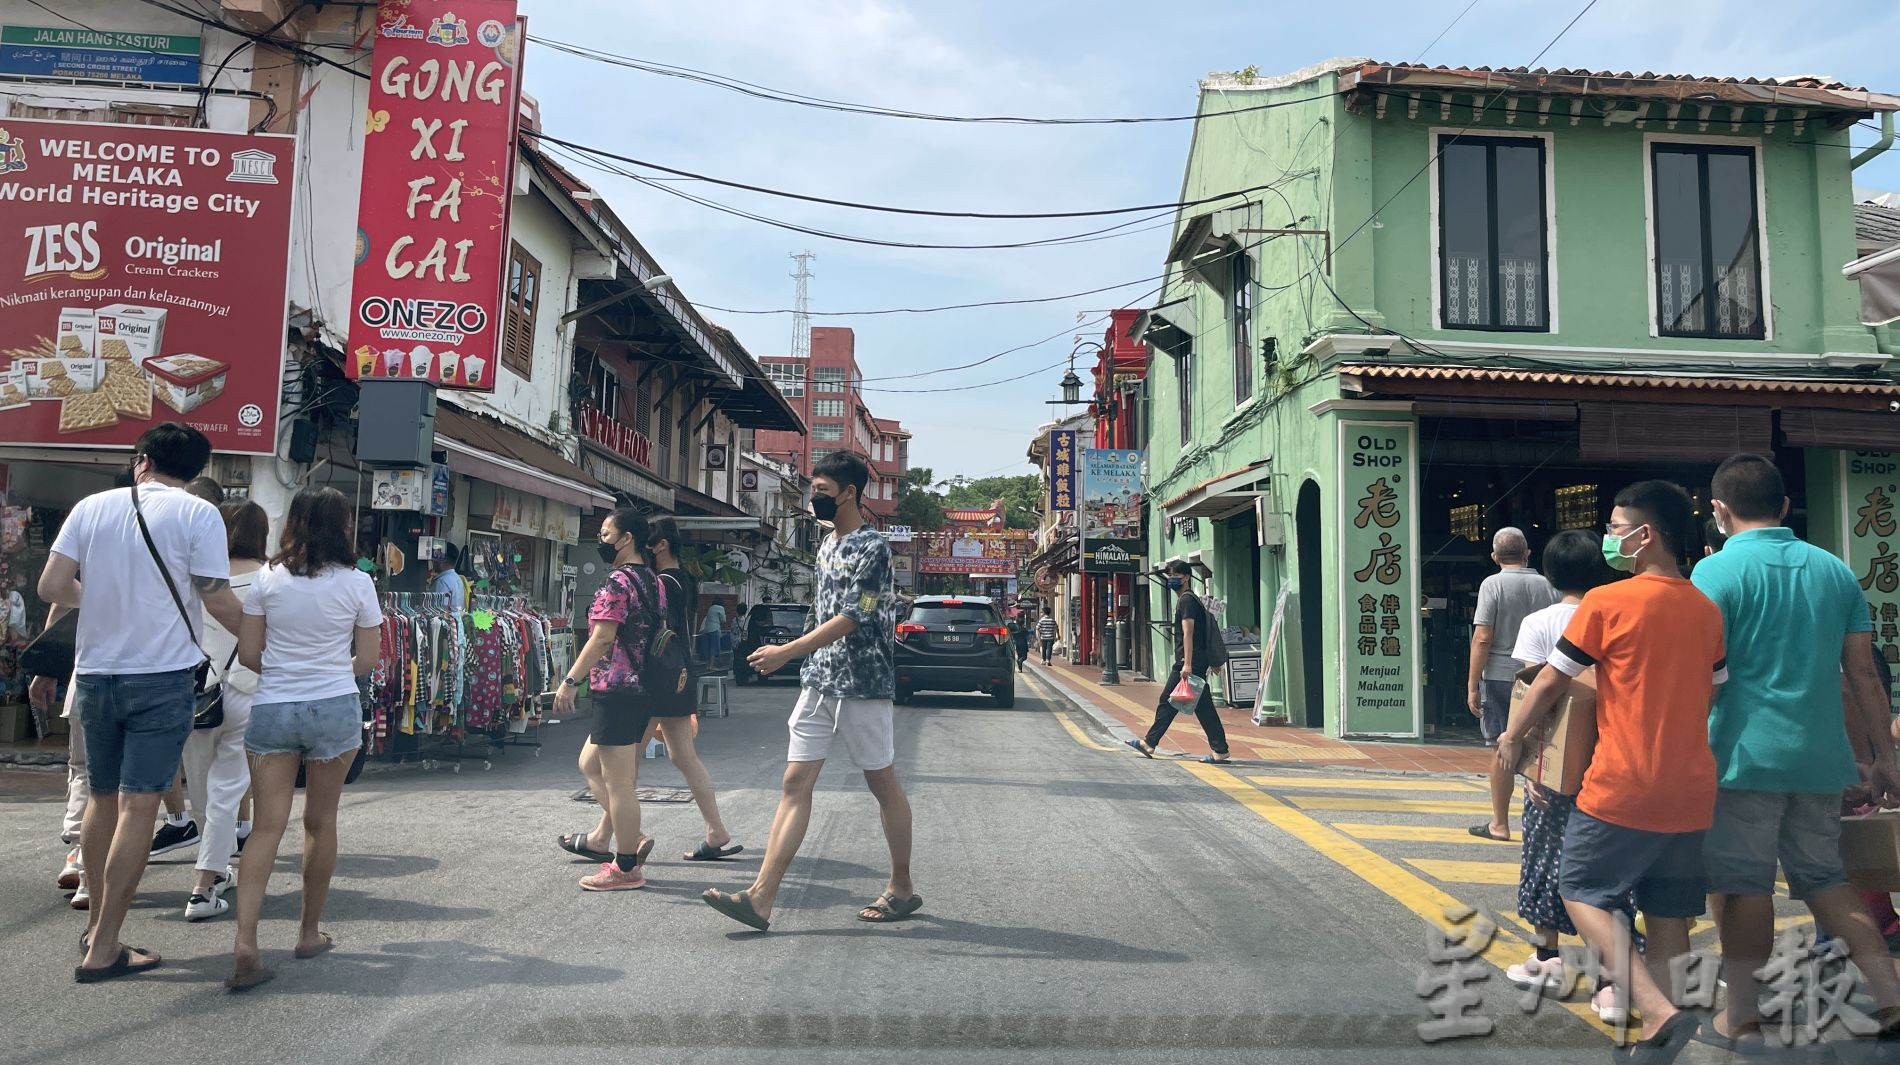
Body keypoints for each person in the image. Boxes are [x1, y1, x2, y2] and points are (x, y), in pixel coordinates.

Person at [1501, 480, 1724, 1055]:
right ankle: (1664, 1030)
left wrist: (1513, 735)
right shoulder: (1705, 609)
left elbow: (1551, 679)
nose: (1611, 538)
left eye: (1617, 528)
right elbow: (1714, 693)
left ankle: (1655, 1010)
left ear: (1645, 535)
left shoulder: (1607, 601)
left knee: (1580, 888)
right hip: (1692, 787)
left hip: (1623, 782)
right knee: (1668, 909)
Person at [1690, 454, 1900, 1045]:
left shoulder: (1714, 575)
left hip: (1740, 755)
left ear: (1719, 510)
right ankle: (1889, 998)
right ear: (1785, 506)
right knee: (1826, 879)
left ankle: (1744, 1015)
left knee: (1742, 886)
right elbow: (1864, 676)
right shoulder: (1834, 571)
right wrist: (1885, 757)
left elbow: (1701, 674)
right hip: (1820, 757)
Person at [38, 424, 242, 982]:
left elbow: (51, 587)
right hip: (161, 678)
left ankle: (96, 928)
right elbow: (215, 593)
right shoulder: (199, 514)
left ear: (142, 461)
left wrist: (96, 594)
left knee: (102, 800)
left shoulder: (90, 507)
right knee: (139, 805)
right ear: (196, 472)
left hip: (97, 676)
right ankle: (105, 947)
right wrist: (259, 641)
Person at [703, 451, 915, 931]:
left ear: (849, 493)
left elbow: (855, 615)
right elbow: (821, 614)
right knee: (794, 785)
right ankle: (760, 897)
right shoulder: (824, 546)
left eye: (822, 492)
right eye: (813, 491)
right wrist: (799, 655)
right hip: (819, 681)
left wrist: (787, 651)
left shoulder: (873, 550)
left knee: (883, 786)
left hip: (862, 683)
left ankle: (901, 886)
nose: (815, 499)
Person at [226, 487, 384, 990]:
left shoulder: (266, 579)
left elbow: (249, 653)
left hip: (273, 705)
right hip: (334, 706)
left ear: (291, 522)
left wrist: (284, 670)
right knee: (320, 822)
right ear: (342, 526)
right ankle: (309, 931)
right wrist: (331, 670)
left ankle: (246, 941)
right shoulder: (359, 583)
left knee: (267, 828)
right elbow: (369, 659)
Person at [1478, 530, 1637, 1002]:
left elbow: (1530, 694)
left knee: (1546, 854)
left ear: (1549, 572)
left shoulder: (1540, 622)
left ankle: (1546, 957)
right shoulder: (1617, 615)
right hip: (1611, 758)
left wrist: (1522, 758)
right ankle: (1612, 978)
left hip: (1556, 764)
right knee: (1611, 865)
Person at [566, 517, 741, 866]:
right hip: (677, 673)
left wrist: (572, 680)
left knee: (617, 769)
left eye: (650, 542)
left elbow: (623, 634)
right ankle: (715, 830)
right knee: (681, 758)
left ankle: (618, 839)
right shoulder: (683, 580)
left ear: (658, 545)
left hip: (651, 677)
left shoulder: (655, 582)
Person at [553, 508, 681, 891]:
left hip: (617, 687)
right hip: (643, 688)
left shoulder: (617, 582)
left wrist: (571, 680)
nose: (602, 540)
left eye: (607, 534)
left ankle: (626, 866)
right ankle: (632, 837)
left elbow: (603, 637)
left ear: (626, 539)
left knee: (619, 781)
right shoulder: (654, 581)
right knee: (590, 764)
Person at [179, 500, 269, 922]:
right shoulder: (271, 579)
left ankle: (209, 874)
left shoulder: (195, 577)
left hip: (196, 690)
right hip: (248, 689)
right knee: (226, 790)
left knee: (200, 787)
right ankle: (203, 884)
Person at [1126, 559, 1230, 765]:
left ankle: (1149, 742)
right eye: (1169, 576)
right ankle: (1220, 750)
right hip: (1196, 660)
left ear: (1187, 578)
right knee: (1202, 707)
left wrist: (1187, 664)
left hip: (1189, 660)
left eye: (1176, 576)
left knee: (1168, 700)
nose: (1171, 580)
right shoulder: (1191, 599)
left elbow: (1188, 633)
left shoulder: (1187, 601)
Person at [1467, 528, 1558, 747]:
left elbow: (1482, 638)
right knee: (1537, 743)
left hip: (1498, 674)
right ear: (1527, 554)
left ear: (1494, 557)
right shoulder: (1549, 585)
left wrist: (1472, 686)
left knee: (1499, 743)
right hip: (1539, 674)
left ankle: (1503, 781)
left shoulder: (1492, 584)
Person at [429, 542, 465, 613]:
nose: (433, 561)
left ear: (441, 558)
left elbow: (440, 609)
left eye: (435, 556)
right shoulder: (457, 578)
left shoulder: (442, 581)